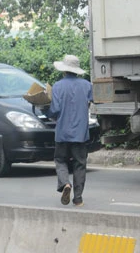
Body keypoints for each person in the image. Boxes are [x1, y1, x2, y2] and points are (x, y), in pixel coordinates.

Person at [44, 55, 93, 207]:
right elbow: (90, 103)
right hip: (80, 133)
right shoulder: (86, 85)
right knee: (79, 165)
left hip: (62, 133)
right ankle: (78, 199)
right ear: (77, 70)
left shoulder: (58, 86)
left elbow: (55, 110)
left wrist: (46, 111)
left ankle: (65, 183)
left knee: (60, 160)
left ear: (64, 70)